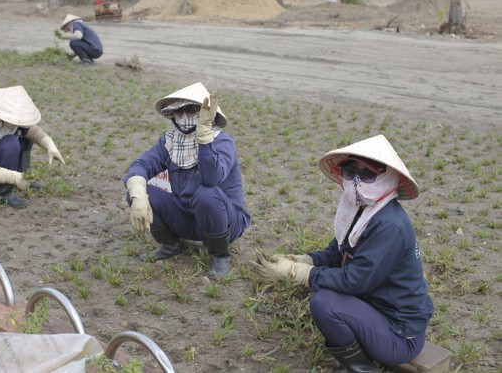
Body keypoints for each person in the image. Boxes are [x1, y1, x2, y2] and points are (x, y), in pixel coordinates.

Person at [249, 134, 434, 372]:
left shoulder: (389, 225)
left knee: (325, 302)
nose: (357, 182)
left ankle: (362, 368)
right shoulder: (362, 210)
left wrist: (300, 273)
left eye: (366, 174)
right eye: (350, 171)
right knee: (326, 289)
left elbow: (354, 280)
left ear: (388, 177)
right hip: (375, 309)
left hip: (399, 334)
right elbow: (338, 251)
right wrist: (307, 260)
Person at [123, 83, 251, 278]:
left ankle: (220, 254)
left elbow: (211, 179)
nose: (184, 116)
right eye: (179, 111)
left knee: (206, 193)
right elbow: (141, 165)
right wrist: (138, 195)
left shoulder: (222, 142)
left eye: (192, 110)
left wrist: (204, 138)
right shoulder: (170, 141)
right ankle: (170, 244)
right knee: (141, 190)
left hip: (224, 219)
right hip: (187, 215)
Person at [0, 85, 65, 208]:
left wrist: (50, 145)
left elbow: (33, 131)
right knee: (11, 143)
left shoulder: (8, 121)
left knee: (25, 136)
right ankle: (4, 193)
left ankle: (22, 177)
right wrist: (13, 177)